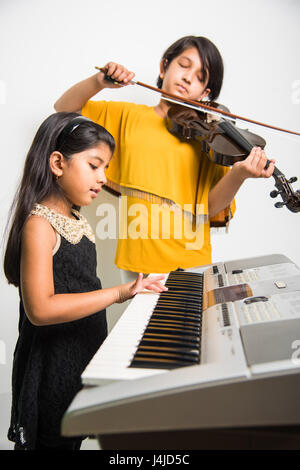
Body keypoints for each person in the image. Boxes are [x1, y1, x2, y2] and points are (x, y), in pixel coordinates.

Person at [3, 112, 167, 450]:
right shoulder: (39, 225)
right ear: (58, 163)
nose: (102, 178)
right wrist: (121, 292)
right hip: (50, 368)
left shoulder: (74, 219)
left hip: (78, 360)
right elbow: (41, 309)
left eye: (105, 168)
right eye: (94, 166)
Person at [54, 36, 275, 282]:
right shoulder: (127, 116)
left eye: (201, 77)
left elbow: (211, 207)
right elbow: (64, 109)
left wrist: (239, 173)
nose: (189, 77)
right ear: (164, 66)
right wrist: (99, 82)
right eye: (184, 65)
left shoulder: (210, 139)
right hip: (137, 262)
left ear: (205, 93)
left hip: (191, 262)